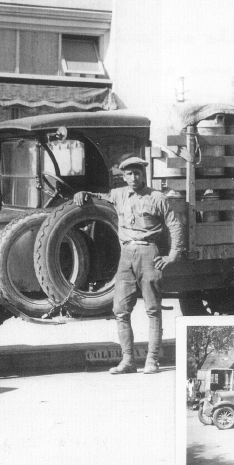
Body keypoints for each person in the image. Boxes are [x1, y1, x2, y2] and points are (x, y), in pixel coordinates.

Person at [73, 155, 184, 374]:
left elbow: (175, 225)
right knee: (120, 310)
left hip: (148, 252)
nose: (134, 178)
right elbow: (99, 197)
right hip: (126, 255)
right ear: (123, 176)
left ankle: (152, 360)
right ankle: (128, 361)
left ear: (144, 174)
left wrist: (172, 255)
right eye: (129, 174)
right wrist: (83, 194)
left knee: (153, 310)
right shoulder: (118, 195)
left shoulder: (157, 197)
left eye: (137, 173)